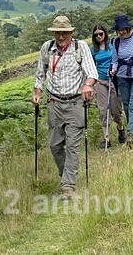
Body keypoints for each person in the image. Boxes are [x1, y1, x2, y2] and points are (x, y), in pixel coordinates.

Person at [32, 15, 98, 201]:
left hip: (76, 101)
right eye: (57, 33)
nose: (61, 37)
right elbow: (40, 74)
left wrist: (88, 85)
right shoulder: (47, 48)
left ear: (71, 33)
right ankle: (66, 175)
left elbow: (92, 72)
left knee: (73, 145)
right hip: (54, 101)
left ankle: (68, 186)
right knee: (55, 145)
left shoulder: (80, 47)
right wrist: (37, 93)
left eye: (64, 33)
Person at [90, 23, 125, 148]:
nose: (99, 36)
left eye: (101, 33)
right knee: (103, 110)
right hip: (101, 81)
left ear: (105, 33)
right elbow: (91, 66)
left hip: (114, 80)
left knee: (115, 111)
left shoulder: (113, 45)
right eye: (96, 35)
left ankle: (121, 128)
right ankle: (106, 139)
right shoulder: (93, 49)